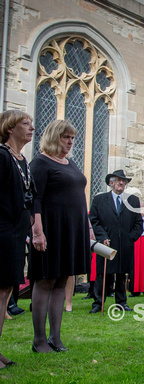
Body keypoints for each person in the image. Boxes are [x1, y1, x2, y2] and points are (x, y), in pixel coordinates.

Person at [30, 119, 94, 353]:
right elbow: (34, 200)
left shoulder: (72, 163)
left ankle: (55, 338)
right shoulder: (40, 162)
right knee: (45, 280)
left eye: (72, 138)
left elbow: (80, 196)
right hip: (50, 227)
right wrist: (38, 231)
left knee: (61, 281)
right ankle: (38, 340)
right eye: (65, 137)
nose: (69, 142)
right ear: (53, 136)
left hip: (73, 228)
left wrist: (87, 225)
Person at [0, 110, 35, 367]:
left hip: (16, 232)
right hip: (2, 230)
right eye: (26, 123)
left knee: (5, 290)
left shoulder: (22, 160)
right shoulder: (2, 157)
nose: (31, 128)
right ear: (10, 128)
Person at [88, 170, 144, 313]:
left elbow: (138, 223)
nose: (121, 183)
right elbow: (94, 220)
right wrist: (102, 236)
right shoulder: (100, 200)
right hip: (105, 242)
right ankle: (98, 302)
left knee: (121, 273)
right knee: (103, 274)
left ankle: (121, 302)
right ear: (111, 183)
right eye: (118, 180)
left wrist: (131, 237)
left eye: (123, 181)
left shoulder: (132, 200)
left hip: (125, 243)